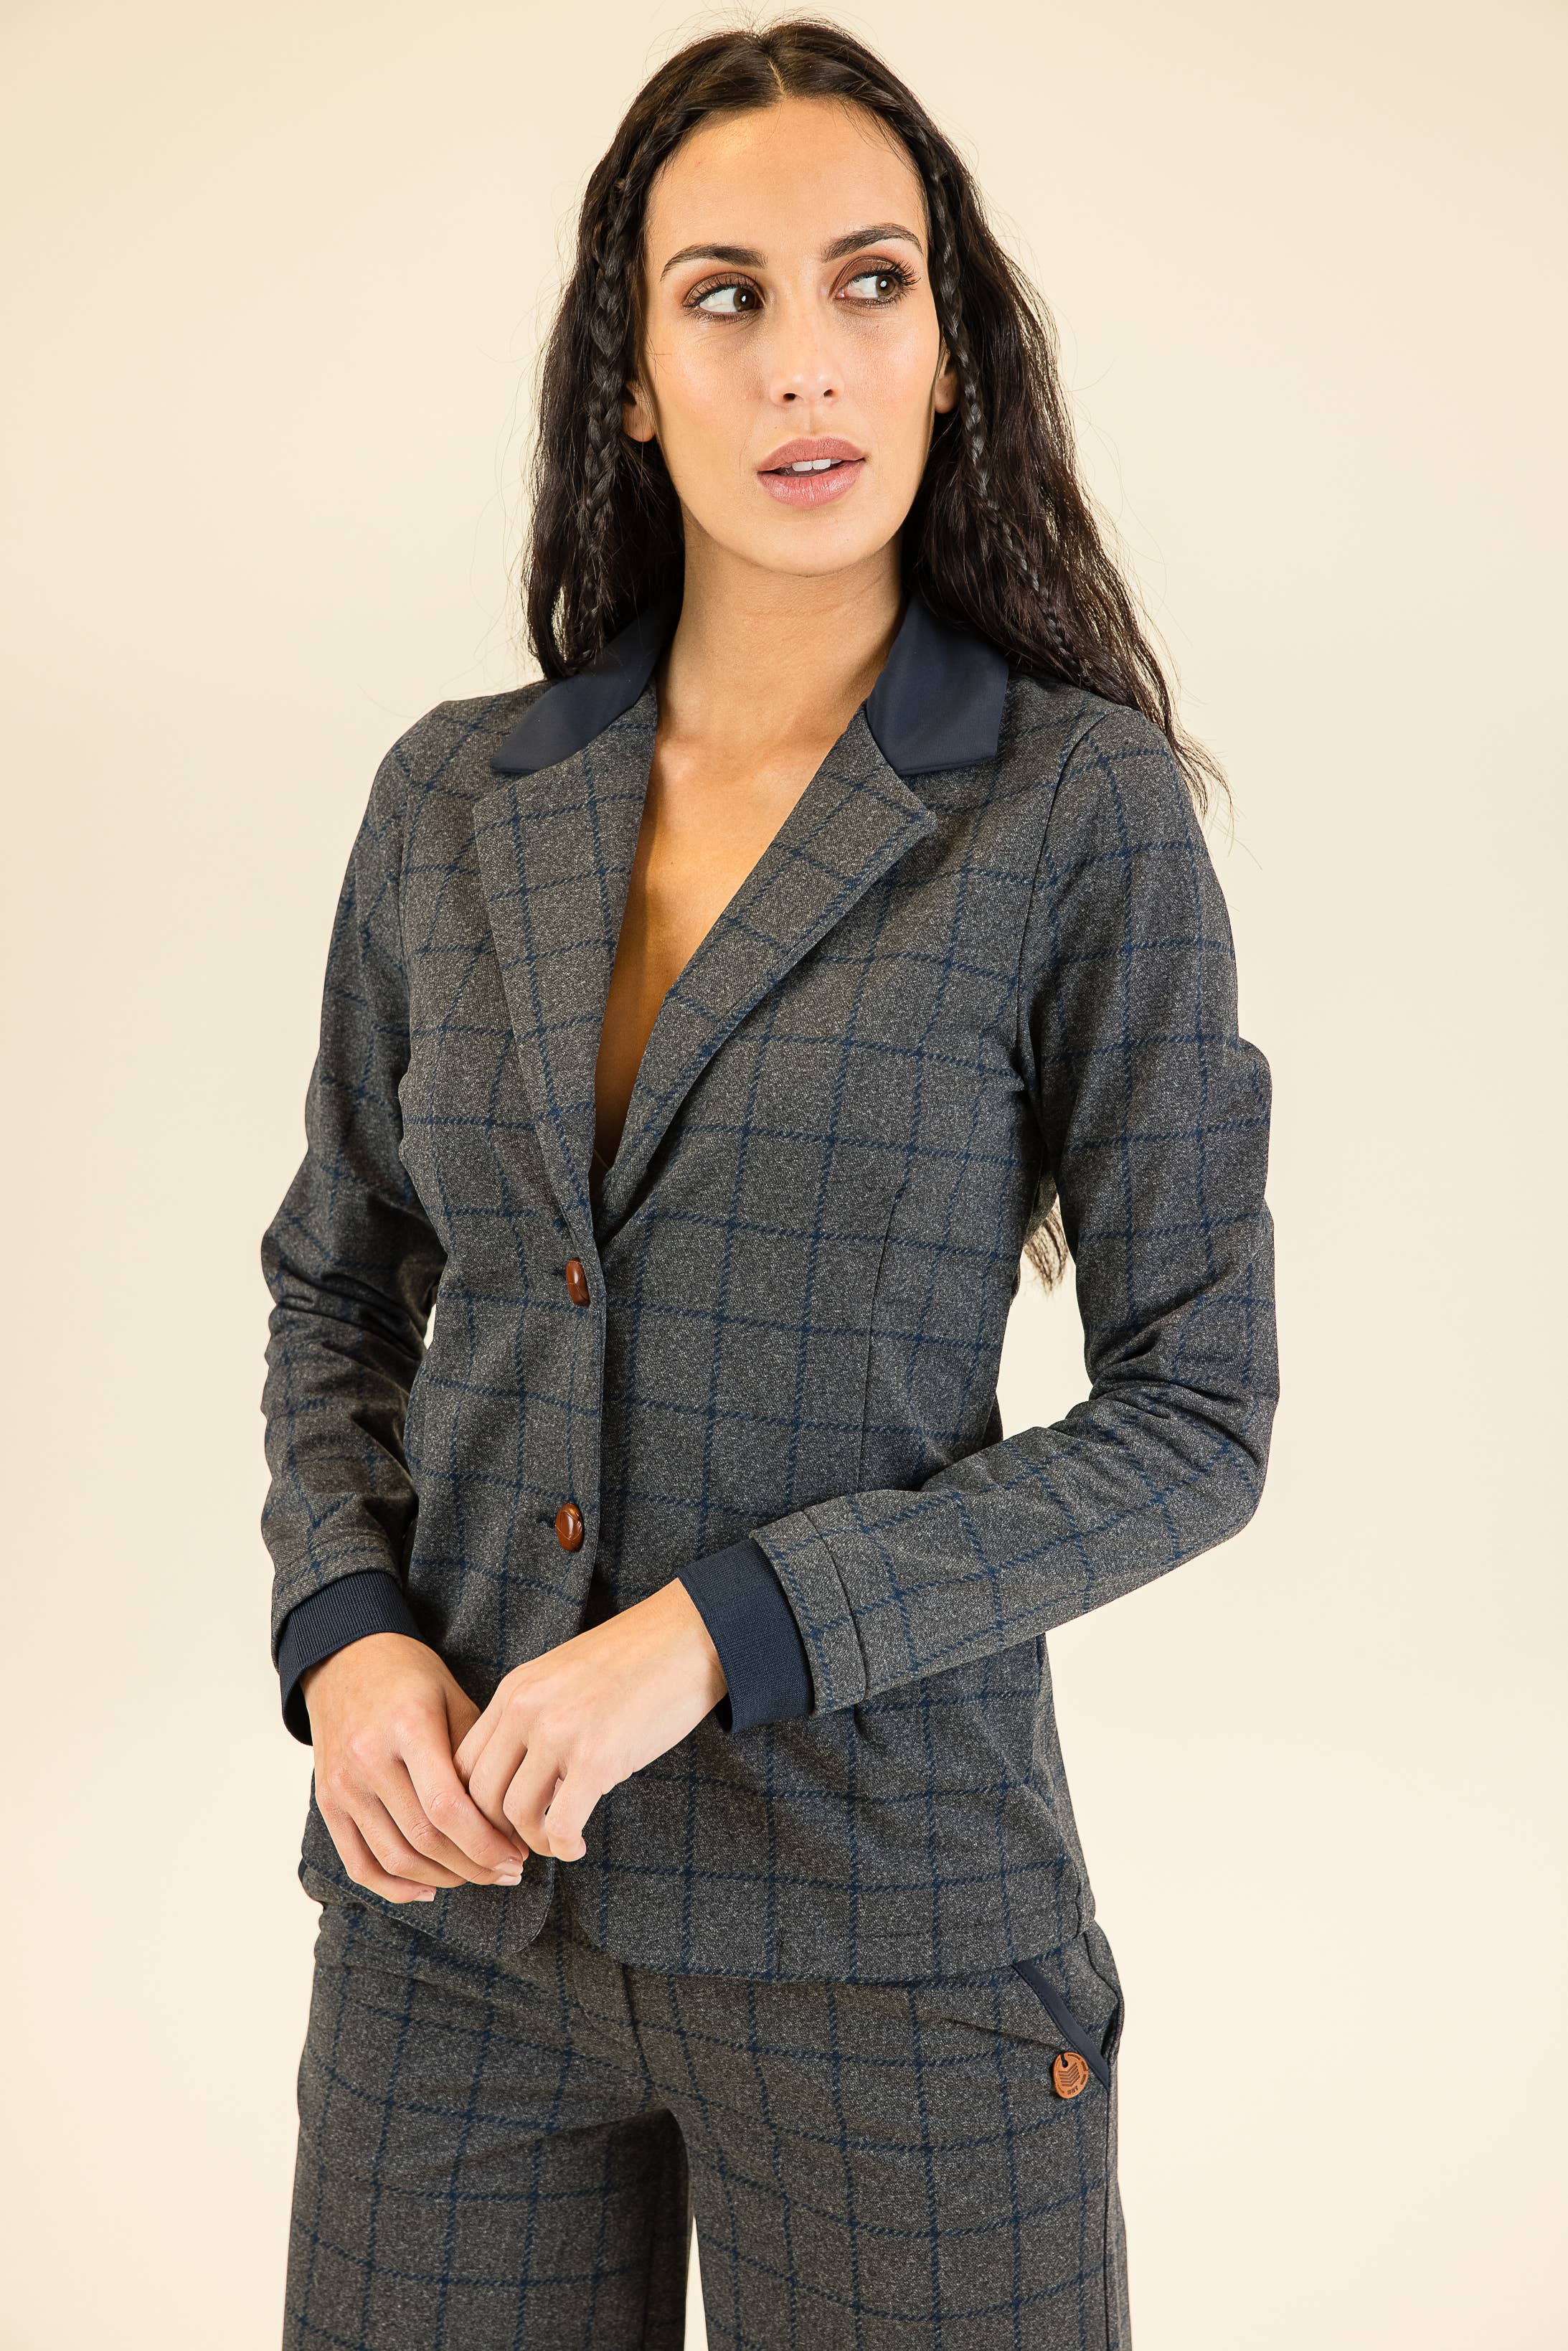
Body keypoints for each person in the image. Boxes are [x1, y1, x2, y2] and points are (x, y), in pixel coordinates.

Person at [258, 20, 1278, 2348]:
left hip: (887, 1930)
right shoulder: (453, 802)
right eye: (724, 296)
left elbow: (1194, 1415)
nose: (803, 360)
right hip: (452, 1930)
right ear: (629, 379)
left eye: (867, 284)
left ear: (950, 353)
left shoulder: (1073, 814)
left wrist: (720, 1630)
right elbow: (337, 1285)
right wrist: (347, 1638)